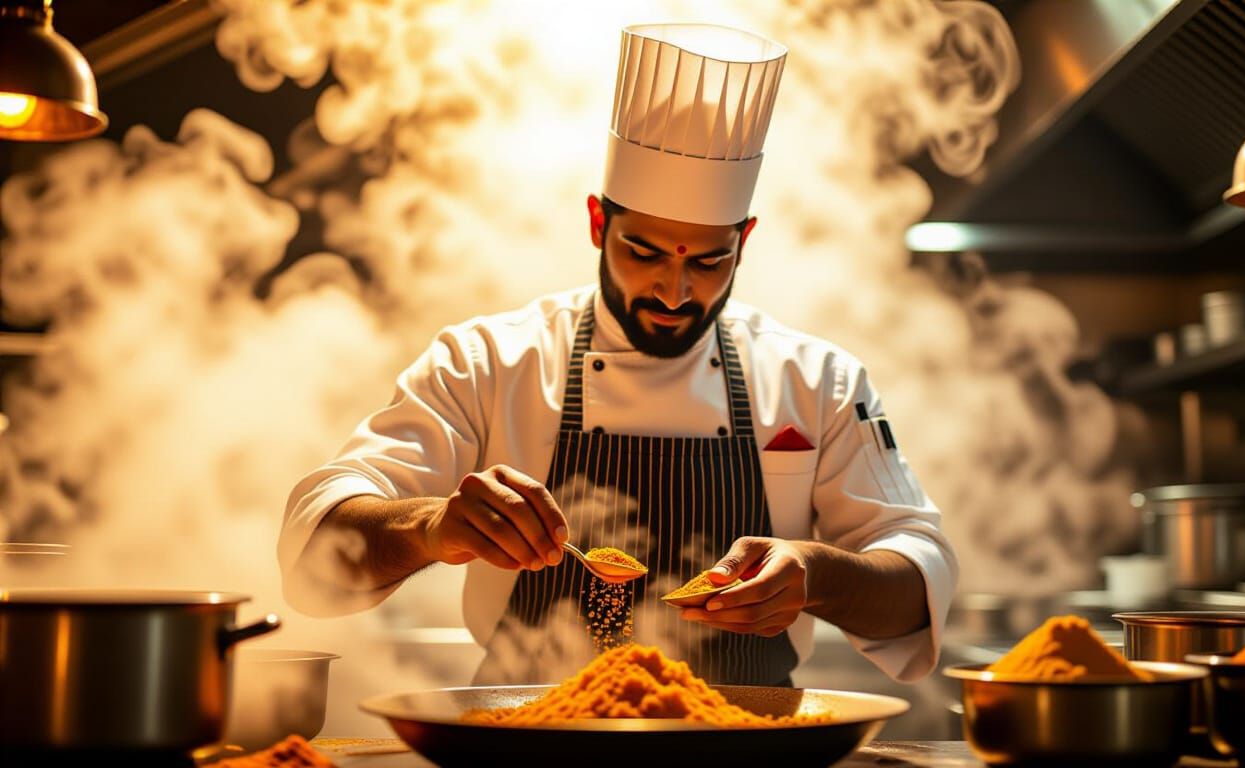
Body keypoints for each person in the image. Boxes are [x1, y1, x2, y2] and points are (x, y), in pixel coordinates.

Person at [280, 22, 956, 687]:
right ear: (599, 223)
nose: (674, 291)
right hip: (533, 733)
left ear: (744, 240)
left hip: (746, 737)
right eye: (644, 252)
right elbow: (315, 550)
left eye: (710, 261)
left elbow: (917, 578)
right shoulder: (488, 361)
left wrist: (817, 573)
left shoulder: (817, 380)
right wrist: (431, 527)